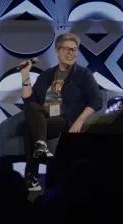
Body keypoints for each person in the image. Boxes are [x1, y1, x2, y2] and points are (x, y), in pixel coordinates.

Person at [19, 32, 103, 191]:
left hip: (65, 119)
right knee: (32, 110)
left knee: (28, 128)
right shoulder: (47, 75)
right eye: (67, 49)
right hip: (43, 116)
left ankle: (32, 176)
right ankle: (41, 145)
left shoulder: (83, 74)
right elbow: (30, 100)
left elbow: (97, 100)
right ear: (57, 51)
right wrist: (25, 74)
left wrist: (79, 121)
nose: (72, 53)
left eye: (75, 50)